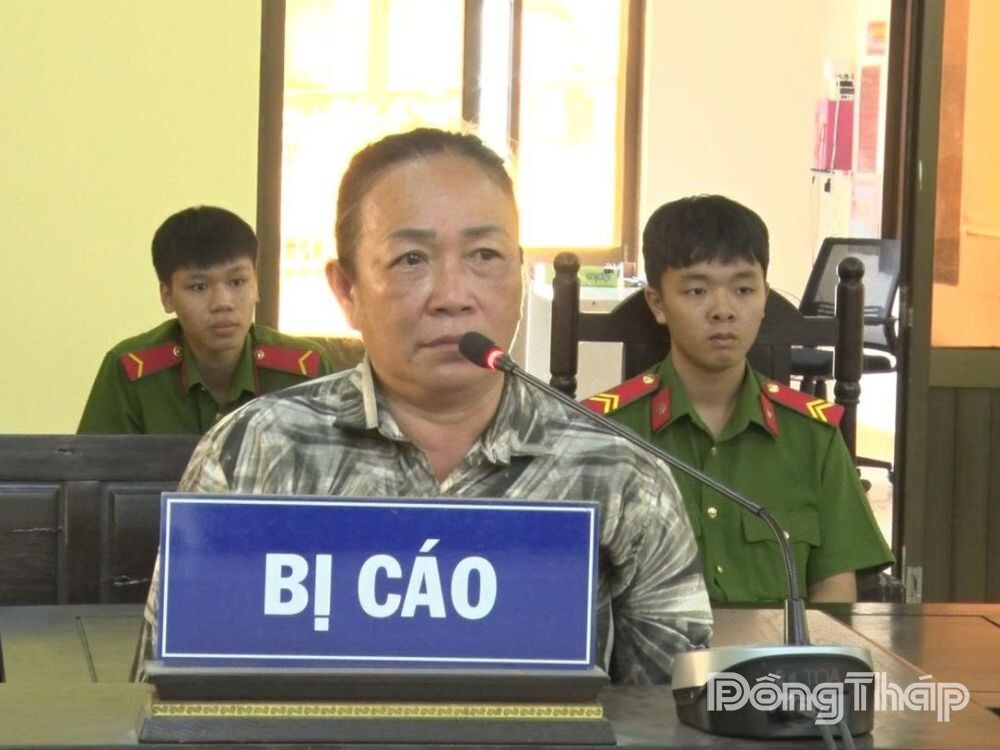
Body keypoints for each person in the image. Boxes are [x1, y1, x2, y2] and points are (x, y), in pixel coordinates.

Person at [140, 129, 712, 684]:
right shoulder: (254, 451)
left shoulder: (619, 472)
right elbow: (170, 701)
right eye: (411, 259)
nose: (453, 296)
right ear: (346, 291)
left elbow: (668, 717)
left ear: (518, 275)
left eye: (485, 255)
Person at [584, 195, 893, 604]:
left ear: (765, 297)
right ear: (657, 304)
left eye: (744, 289)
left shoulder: (811, 436)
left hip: (781, 648)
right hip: (651, 648)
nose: (723, 310)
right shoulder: (603, 434)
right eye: (696, 290)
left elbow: (835, 594)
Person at [77, 206, 335, 434]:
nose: (222, 302)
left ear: (256, 285)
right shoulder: (130, 369)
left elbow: (333, 469)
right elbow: (94, 470)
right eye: (199, 287)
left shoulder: (305, 371)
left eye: (237, 282)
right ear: (167, 296)